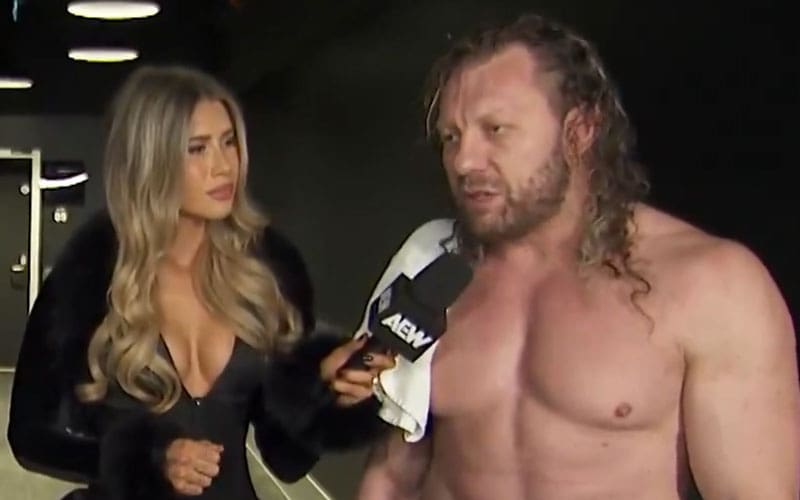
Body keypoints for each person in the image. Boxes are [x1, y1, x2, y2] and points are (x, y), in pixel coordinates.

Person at [357, 12, 800, 500]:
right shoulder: (430, 268)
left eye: (496, 129)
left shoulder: (711, 284)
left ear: (580, 130)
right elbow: (390, 476)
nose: (464, 161)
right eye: (451, 137)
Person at [7, 65, 393, 500]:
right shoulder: (84, 281)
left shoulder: (269, 276)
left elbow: (285, 460)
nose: (223, 166)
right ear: (151, 160)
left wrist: (324, 393)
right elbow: (29, 438)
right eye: (197, 149)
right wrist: (149, 458)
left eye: (229, 142)